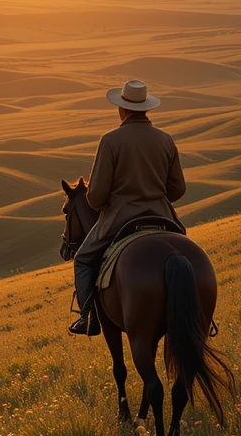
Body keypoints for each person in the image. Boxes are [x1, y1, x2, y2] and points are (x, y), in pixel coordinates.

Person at [69, 78, 186, 336]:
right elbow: (178, 189)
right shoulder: (166, 140)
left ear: (121, 109)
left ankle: (88, 318)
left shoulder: (110, 141)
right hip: (163, 217)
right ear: (146, 108)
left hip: (120, 220)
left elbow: (96, 198)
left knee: (83, 260)